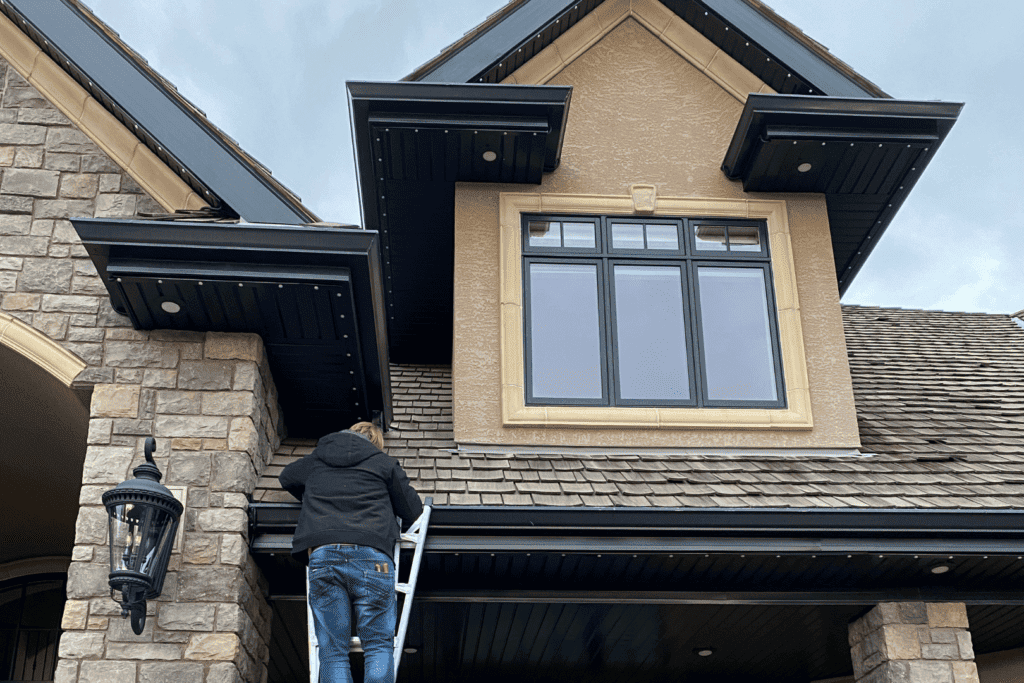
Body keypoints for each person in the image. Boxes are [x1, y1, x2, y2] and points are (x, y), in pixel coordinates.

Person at [279, 421, 423, 683]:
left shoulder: (317, 460)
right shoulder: (383, 463)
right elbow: (413, 511)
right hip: (372, 557)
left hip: (324, 555)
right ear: (375, 444)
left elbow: (286, 477)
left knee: (333, 652)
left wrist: (314, 495)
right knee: (378, 646)